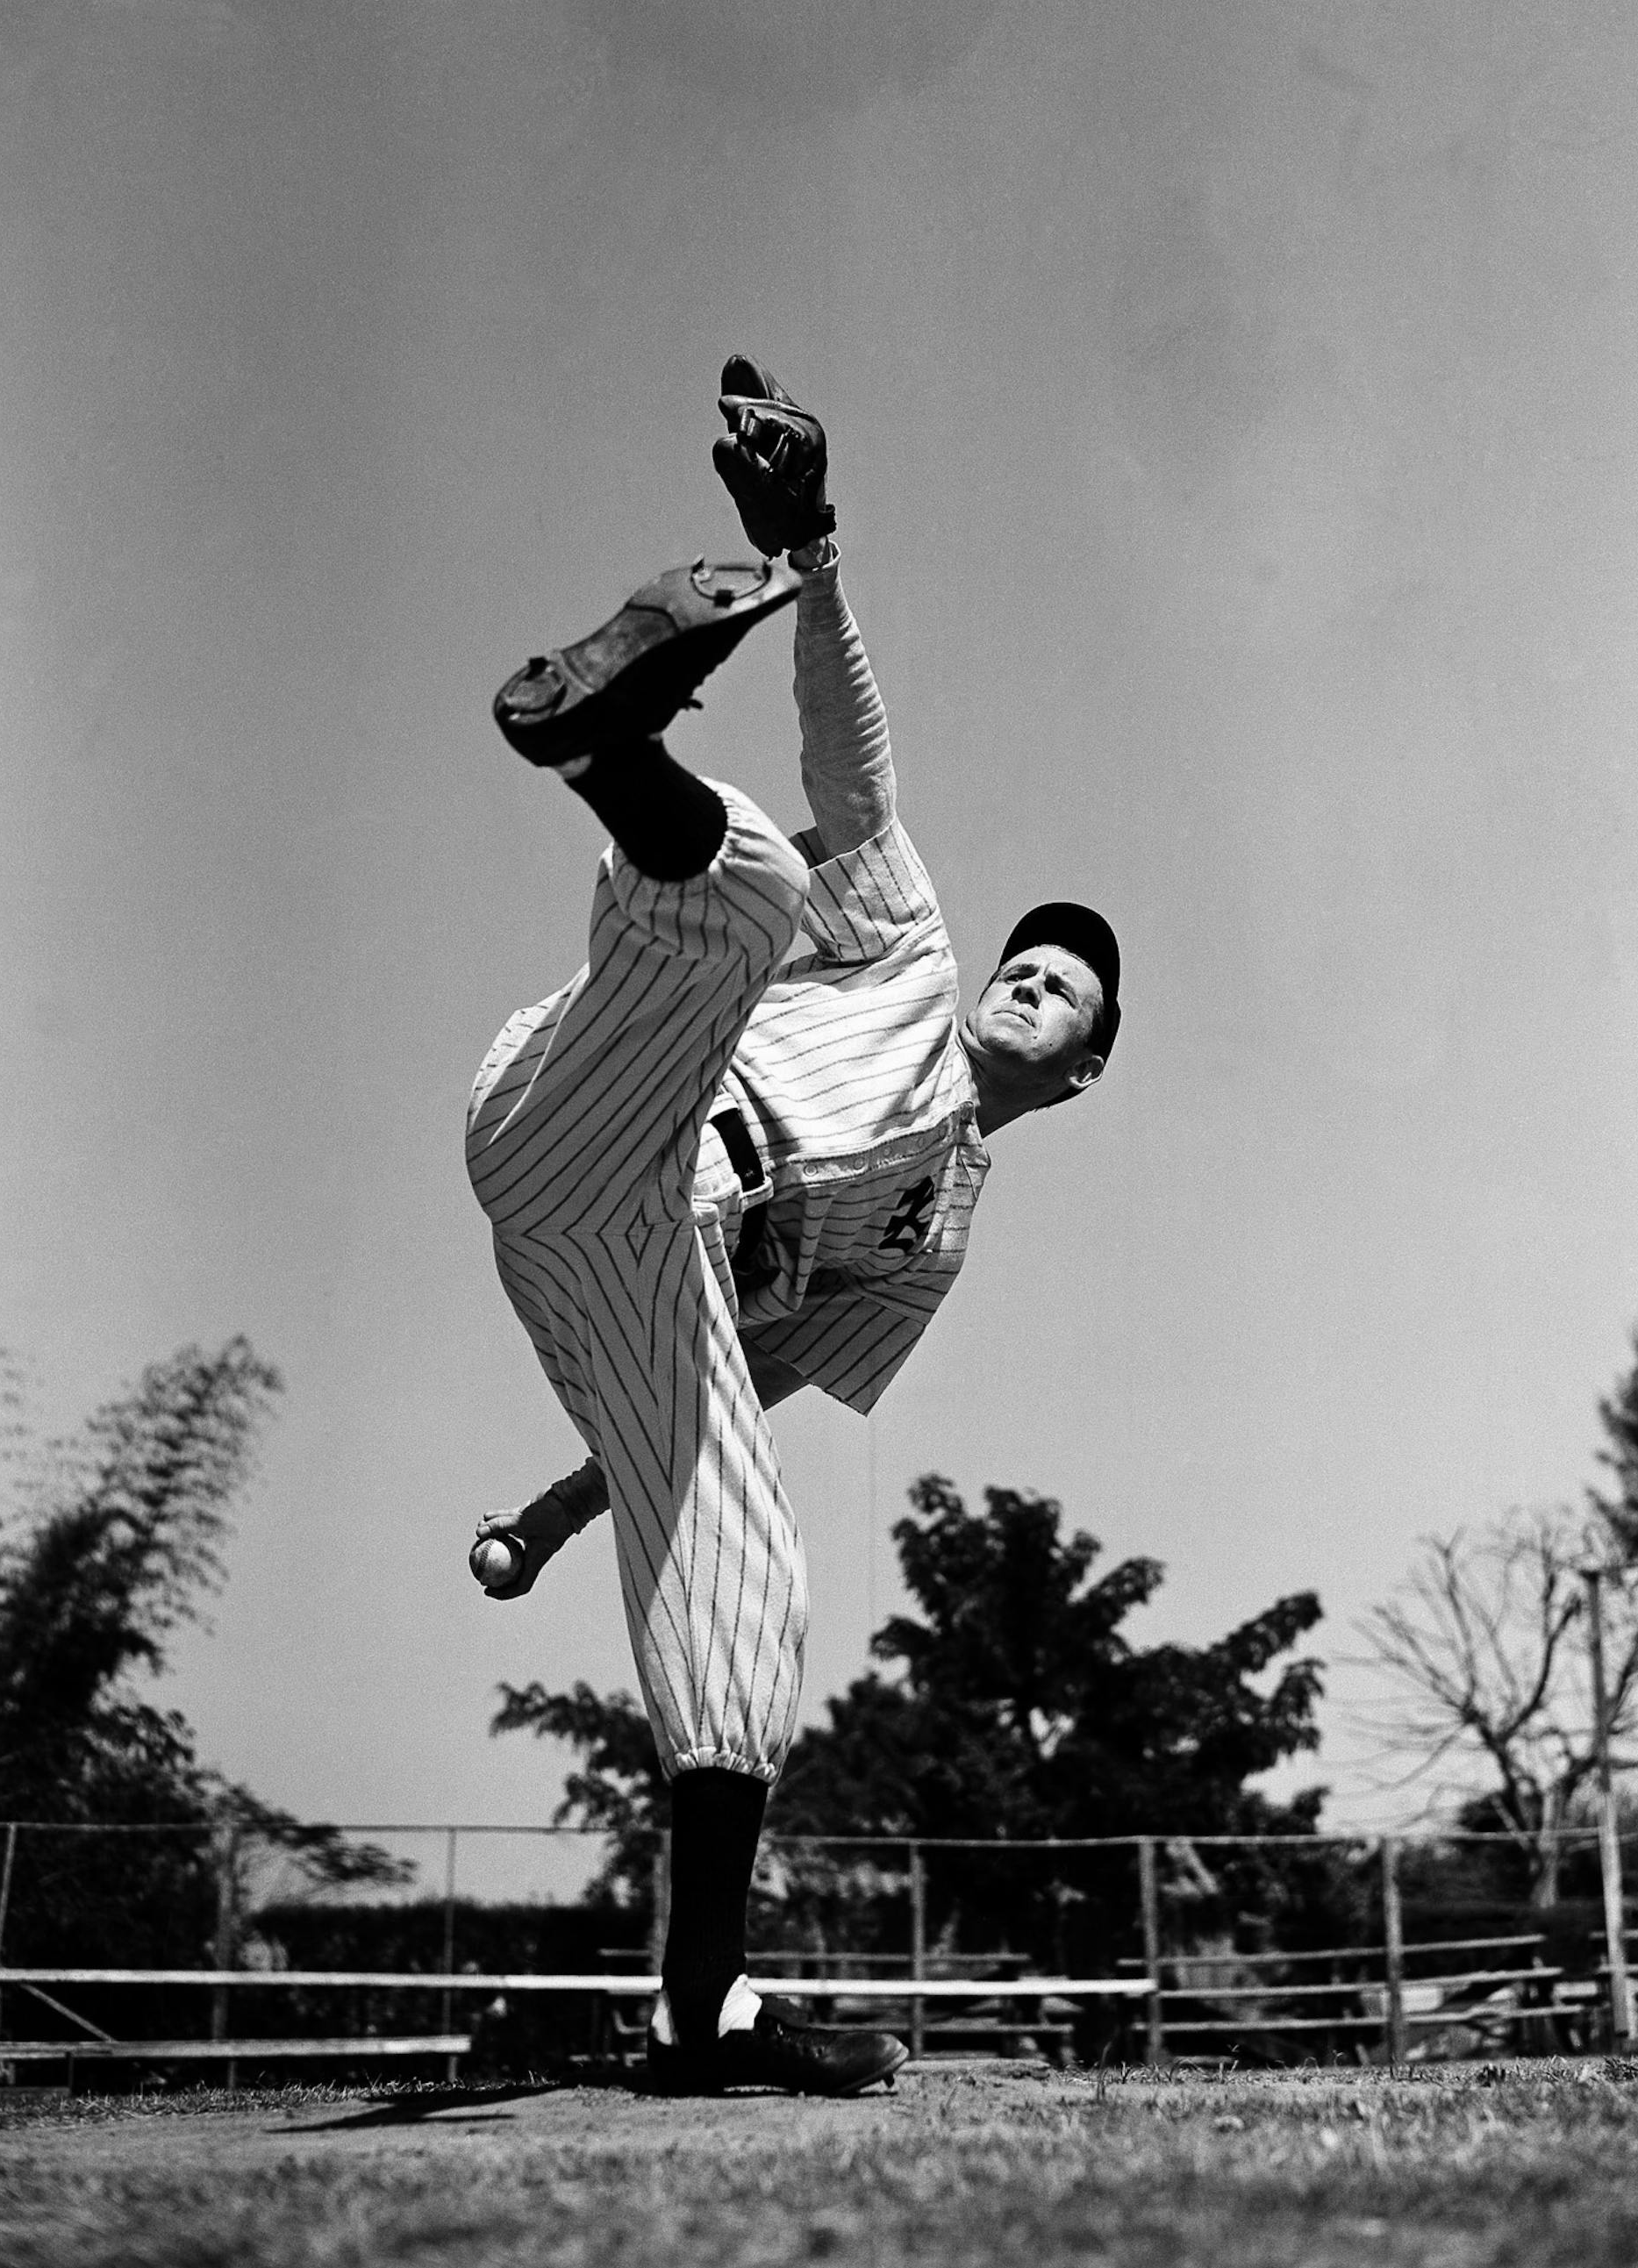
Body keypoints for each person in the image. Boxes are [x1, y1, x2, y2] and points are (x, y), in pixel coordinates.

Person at [464, 358, 1121, 2096]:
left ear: (1086, 1066)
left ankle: (698, 2015)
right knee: (760, 882)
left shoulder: (929, 1243)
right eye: (1027, 960)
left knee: (754, 1575)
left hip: (627, 1277)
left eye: (1063, 992)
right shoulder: (906, 954)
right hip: (607, 1100)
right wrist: (812, 543)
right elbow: (855, 758)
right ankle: (609, 745)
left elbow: (736, 1386)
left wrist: (545, 1521)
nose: (1027, 975)